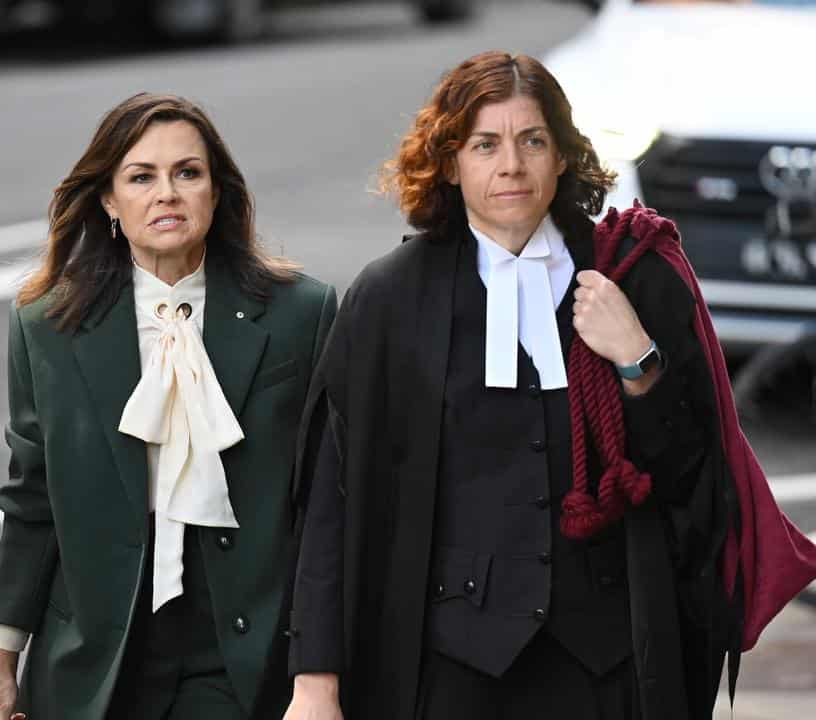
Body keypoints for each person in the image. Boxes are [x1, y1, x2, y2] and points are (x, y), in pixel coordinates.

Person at [282, 51, 780, 719]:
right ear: (450, 162)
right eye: (485, 144)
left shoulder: (634, 275)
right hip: (448, 667)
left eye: (532, 140)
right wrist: (315, 681)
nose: (510, 164)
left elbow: (694, 479)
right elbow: (331, 500)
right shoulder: (389, 300)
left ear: (564, 156)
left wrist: (638, 361)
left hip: (608, 666)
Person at [0, 92, 337, 720]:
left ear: (215, 192)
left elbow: (329, 506)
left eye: (187, 173)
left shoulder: (302, 312)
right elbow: (32, 499)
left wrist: (318, 677)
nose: (166, 193)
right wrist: (1, 665)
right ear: (110, 201)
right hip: (97, 658)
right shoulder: (47, 324)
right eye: (142, 177)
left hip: (245, 653)